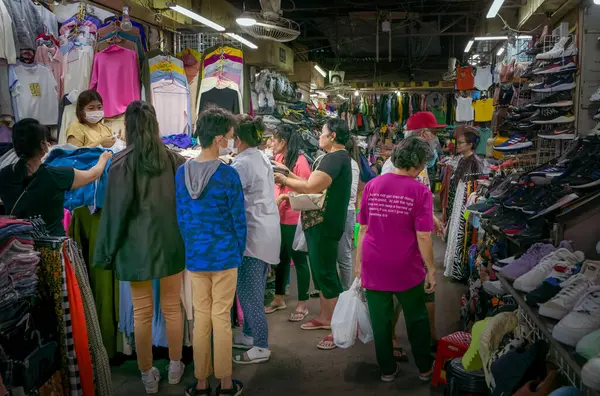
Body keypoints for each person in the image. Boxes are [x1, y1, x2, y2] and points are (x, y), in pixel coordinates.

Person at [93, 101, 186, 394]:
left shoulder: (121, 163)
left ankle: (147, 373)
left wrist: (106, 253)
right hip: (172, 243)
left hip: (135, 249)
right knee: (173, 307)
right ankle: (175, 364)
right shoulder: (174, 160)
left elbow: (115, 214)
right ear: (155, 124)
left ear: (129, 127)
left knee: (142, 312)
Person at [175, 106, 246, 396]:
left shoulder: (182, 172)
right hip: (225, 255)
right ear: (218, 138)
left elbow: (180, 217)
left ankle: (202, 382)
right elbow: (238, 220)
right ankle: (226, 383)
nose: (231, 140)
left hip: (196, 256)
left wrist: (192, 246)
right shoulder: (228, 175)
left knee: (200, 317)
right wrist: (237, 251)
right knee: (221, 317)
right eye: (229, 136)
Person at [355, 136, 436, 382]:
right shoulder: (420, 191)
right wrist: (431, 269)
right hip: (405, 265)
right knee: (416, 317)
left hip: (374, 261)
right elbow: (423, 236)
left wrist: (359, 263)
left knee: (380, 320)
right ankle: (424, 368)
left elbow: (364, 229)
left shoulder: (373, 185)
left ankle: (387, 370)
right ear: (420, 164)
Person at [273, 118, 352, 350]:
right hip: (320, 222)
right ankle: (326, 318)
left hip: (324, 223)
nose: (319, 136)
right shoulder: (334, 158)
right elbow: (310, 182)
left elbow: (310, 188)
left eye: (323, 132)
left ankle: (336, 325)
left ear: (333, 136)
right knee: (321, 271)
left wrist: (284, 180)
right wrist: (289, 174)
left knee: (326, 273)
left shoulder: (336, 158)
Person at [380, 112, 445, 359]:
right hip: (403, 243)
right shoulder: (394, 167)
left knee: (427, 290)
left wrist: (431, 217)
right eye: (434, 132)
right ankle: (392, 339)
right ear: (424, 134)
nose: (436, 137)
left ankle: (430, 335)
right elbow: (391, 208)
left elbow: (418, 197)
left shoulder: (421, 161)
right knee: (397, 296)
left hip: (417, 238)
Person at [0, 118, 111, 236]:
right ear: (43, 145)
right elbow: (92, 174)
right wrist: (103, 158)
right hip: (51, 248)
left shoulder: (4, 174)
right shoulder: (57, 175)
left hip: (16, 246)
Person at [230, 115, 281, 364]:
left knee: (249, 296)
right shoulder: (259, 156)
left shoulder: (242, 164)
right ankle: (250, 335)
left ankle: (261, 345)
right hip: (266, 230)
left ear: (237, 138)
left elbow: (231, 195)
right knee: (254, 291)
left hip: (254, 235)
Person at [264, 124, 312, 322]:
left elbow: (308, 190)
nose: (270, 143)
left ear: (283, 142)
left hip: (294, 217)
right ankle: (279, 298)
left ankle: (303, 303)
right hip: (278, 216)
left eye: (273, 139)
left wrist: (285, 196)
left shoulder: (300, 162)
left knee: (299, 260)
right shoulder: (278, 159)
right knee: (280, 258)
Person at [338, 136, 360, 290]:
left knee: (343, 254)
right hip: (338, 211)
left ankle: (346, 290)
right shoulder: (340, 162)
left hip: (346, 212)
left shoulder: (351, 165)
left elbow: (352, 193)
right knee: (335, 254)